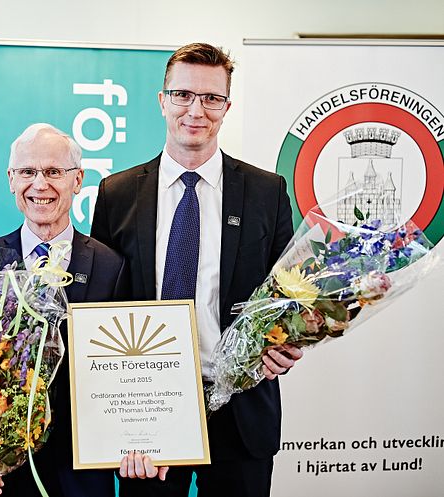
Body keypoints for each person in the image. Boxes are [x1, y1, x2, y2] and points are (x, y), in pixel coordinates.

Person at [90, 43, 303, 497]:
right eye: (183, 95)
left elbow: (292, 294)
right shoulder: (117, 193)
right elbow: (103, 306)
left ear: (227, 107)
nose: (196, 110)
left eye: (211, 98)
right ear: (162, 100)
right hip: (146, 409)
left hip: (241, 407)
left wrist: (290, 342)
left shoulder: (267, 191)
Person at [0, 123, 128, 497]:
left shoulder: (112, 266)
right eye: (27, 172)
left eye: (53, 172)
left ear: (78, 180)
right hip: (0, 473)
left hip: (83, 471)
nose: (40, 184)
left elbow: (123, 368)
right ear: (11, 180)